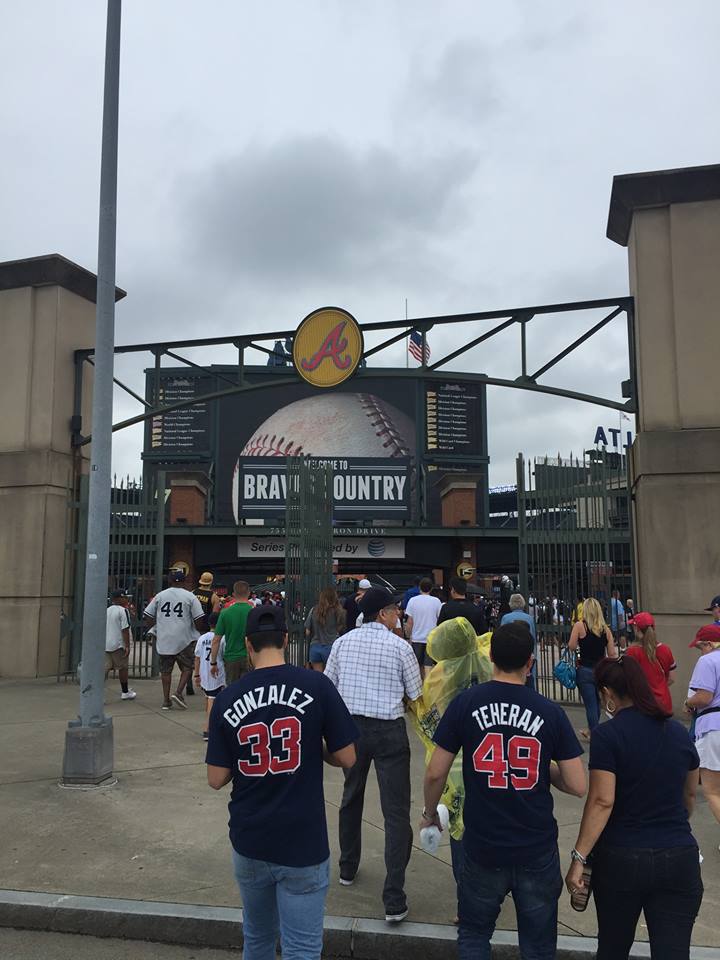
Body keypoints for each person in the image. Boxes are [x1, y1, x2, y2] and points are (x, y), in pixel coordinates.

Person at [424, 622, 586, 960]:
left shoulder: (467, 703)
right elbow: (577, 784)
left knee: (473, 935)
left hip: (483, 844)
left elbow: (436, 772)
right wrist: (542, 767)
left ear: (492, 657)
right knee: (539, 945)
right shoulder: (549, 712)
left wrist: (429, 813)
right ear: (530, 662)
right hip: (535, 846)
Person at [206, 605, 358, 960]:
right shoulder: (316, 686)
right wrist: (314, 746)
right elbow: (348, 757)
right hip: (302, 841)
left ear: (247, 644)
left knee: (257, 939)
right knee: (301, 949)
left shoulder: (228, 697)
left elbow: (216, 778)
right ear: (286, 640)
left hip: (250, 837)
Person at [565, 656, 703, 960]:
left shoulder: (607, 736)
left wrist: (579, 856)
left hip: (621, 857)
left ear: (608, 693)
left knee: (613, 947)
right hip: (678, 854)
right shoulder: (678, 733)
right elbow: (690, 794)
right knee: (674, 952)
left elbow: (603, 800)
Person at [325, 587, 423, 922]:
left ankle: (347, 868)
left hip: (351, 728)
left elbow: (330, 686)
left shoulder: (342, 642)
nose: (399, 615)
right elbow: (416, 692)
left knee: (351, 796)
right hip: (389, 730)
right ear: (382, 614)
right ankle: (394, 897)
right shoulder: (399, 647)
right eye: (395, 610)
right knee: (396, 812)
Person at [408, 617, 492, 911]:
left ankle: (468, 904)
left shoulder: (439, 677)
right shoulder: (488, 660)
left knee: (461, 835)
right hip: (490, 760)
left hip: (456, 769)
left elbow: (426, 713)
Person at [144, 569, 205, 710]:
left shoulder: (160, 595)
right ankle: (178, 692)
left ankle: (166, 701)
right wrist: (197, 629)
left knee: (166, 671)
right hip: (184, 638)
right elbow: (199, 618)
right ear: (184, 581)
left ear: (170, 581)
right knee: (188, 667)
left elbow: (147, 614)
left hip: (164, 639)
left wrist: (154, 627)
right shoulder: (190, 596)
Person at [568, 598, 617, 740]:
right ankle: (593, 730)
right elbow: (612, 653)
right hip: (601, 669)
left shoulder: (580, 626)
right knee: (597, 702)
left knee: (590, 703)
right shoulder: (605, 629)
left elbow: (571, 646)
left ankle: (595, 733)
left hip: (584, 669)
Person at [686, 624, 720, 830]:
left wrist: (688, 702)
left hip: (713, 727)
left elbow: (704, 697)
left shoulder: (707, 661)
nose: (700, 651)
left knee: (713, 790)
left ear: (709, 644)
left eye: (700, 646)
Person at [624, 611, 676, 713]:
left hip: (643, 703)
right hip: (664, 702)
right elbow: (672, 679)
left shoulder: (632, 652)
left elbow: (628, 680)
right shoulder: (665, 649)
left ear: (637, 629)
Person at [211, 580, 254, 685]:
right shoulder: (254, 611)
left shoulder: (225, 613)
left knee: (232, 690)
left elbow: (216, 640)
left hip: (231, 657)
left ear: (234, 594)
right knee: (248, 690)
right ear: (249, 593)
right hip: (250, 657)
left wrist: (213, 662)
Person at [194, 612, 225, 741]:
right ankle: (207, 729)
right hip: (216, 674)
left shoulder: (202, 638)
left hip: (204, 673)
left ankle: (210, 726)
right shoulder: (221, 638)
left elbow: (197, 657)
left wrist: (196, 674)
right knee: (212, 701)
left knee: (208, 699)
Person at [500, 593, 537, 690]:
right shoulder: (529, 618)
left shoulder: (506, 618)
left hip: (510, 654)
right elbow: (533, 637)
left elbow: (501, 638)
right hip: (526, 653)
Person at [405, 577, 442, 673]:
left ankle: (419, 685)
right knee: (428, 665)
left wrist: (409, 636)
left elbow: (409, 622)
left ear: (420, 587)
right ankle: (427, 685)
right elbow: (439, 620)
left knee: (417, 665)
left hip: (416, 637)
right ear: (431, 588)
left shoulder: (412, 601)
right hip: (431, 638)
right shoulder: (436, 601)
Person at [305, 586, 346, 671]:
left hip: (315, 647)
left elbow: (307, 632)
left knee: (318, 677)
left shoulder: (314, 610)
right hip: (331, 647)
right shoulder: (339, 612)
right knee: (330, 677)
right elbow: (340, 628)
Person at [105, 590, 136, 700]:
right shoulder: (123, 611)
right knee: (123, 668)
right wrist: (127, 645)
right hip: (118, 644)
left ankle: (99, 694)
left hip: (106, 644)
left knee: (104, 669)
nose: (126, 599)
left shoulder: (107, 610)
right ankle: (125, 691)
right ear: (119, 599)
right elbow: (125, 629)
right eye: (124, 597)